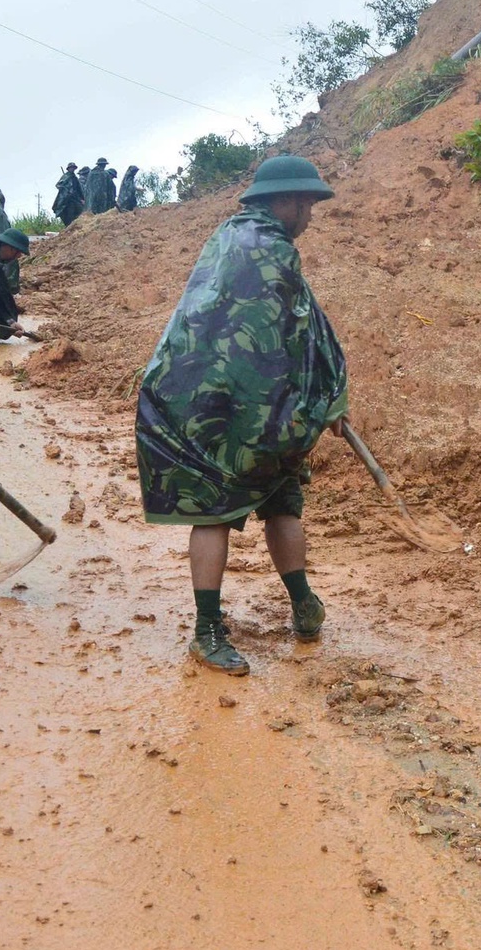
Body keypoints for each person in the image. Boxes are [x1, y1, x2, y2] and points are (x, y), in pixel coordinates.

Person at [135, 155, 346, 675]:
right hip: (239, 405)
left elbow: (299, 324)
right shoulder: (274, 250)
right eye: (309, 205)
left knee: (227, 507)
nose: (311, 216)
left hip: (195, 395)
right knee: (267, 504)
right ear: (289, 201)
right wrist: (324, 399)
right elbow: (294, 339)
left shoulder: (226, 239)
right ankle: (226, 625)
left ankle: (283, 610)